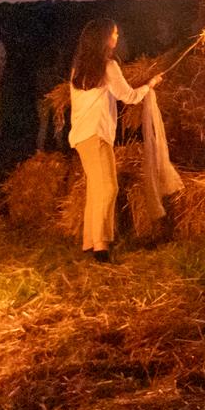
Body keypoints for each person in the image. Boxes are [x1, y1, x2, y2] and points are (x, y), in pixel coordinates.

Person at [67, 19, 161, 262]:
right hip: (97, 135)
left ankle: (91, 241)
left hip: (82, 136)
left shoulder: (79, 69)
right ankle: (101, 246)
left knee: (96, 187)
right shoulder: (108, 66)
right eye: (115, 33)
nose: (117, 37)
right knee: (109, 187)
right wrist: (149, 86)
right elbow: (128, 96)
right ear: (104, 38)